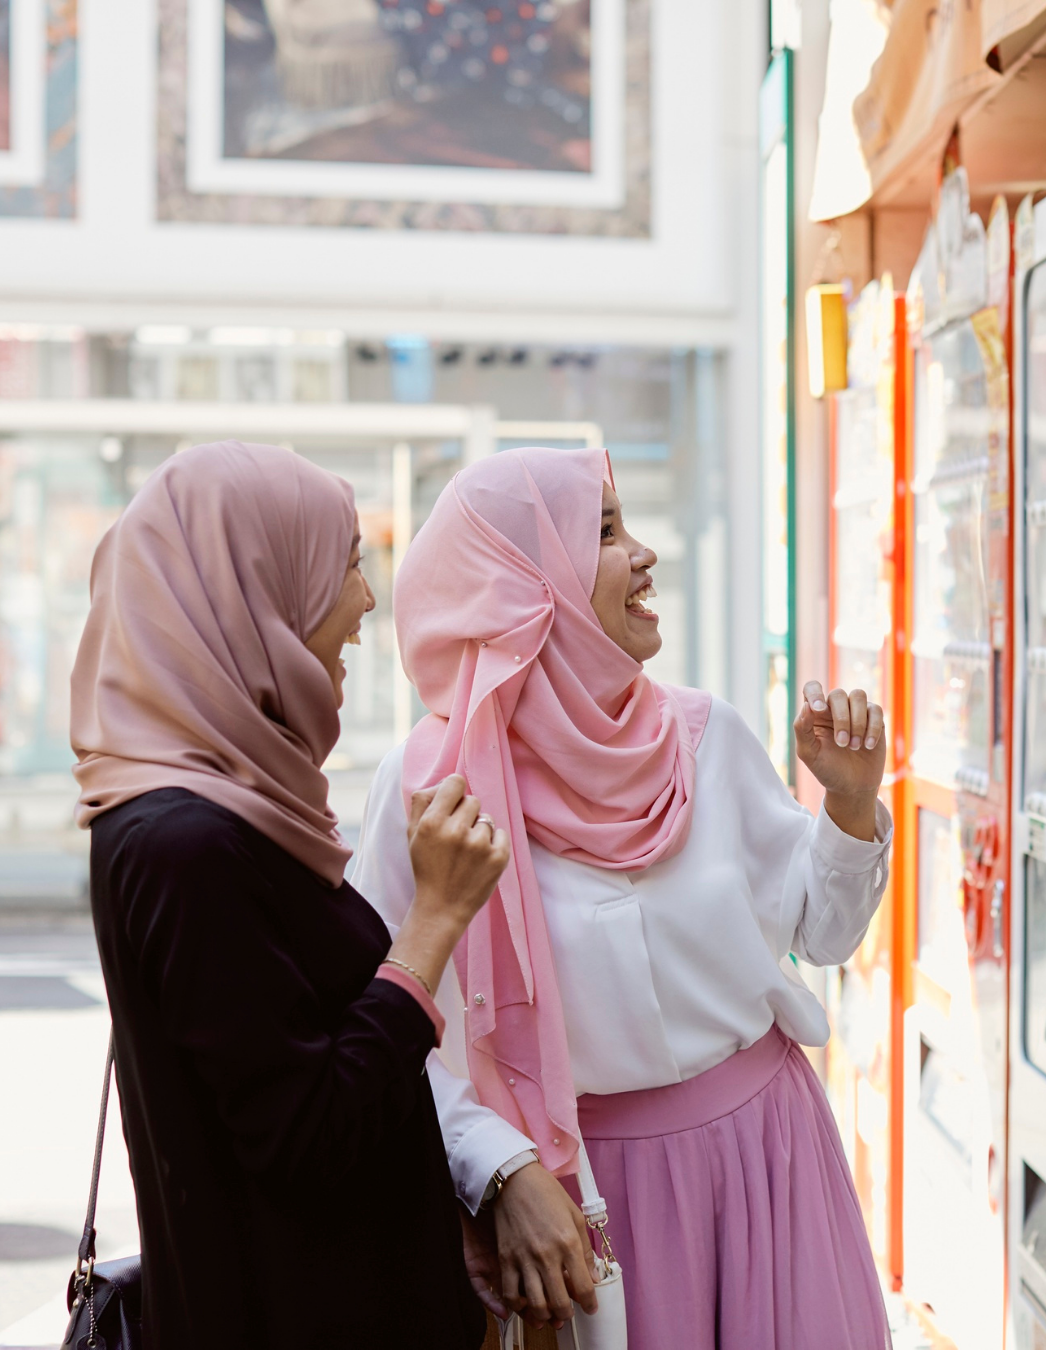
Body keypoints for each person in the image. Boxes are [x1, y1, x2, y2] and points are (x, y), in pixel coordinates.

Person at [350, 446, 892, 1348]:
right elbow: (386, 1026)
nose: (642, 554)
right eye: (601, 532)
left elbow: (823, 933)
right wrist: (496, 1169)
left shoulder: (705, 736)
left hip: (769, 1165)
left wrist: (846, 804)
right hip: (581, 1206)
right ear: (525, 583)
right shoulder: (430, 789)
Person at [71, 440, 502, 1349]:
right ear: (252, 590)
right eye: (345, 560)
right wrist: (432, 925)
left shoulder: (215, 814)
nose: (365, 598)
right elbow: (304, 1133)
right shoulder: (185, 842)